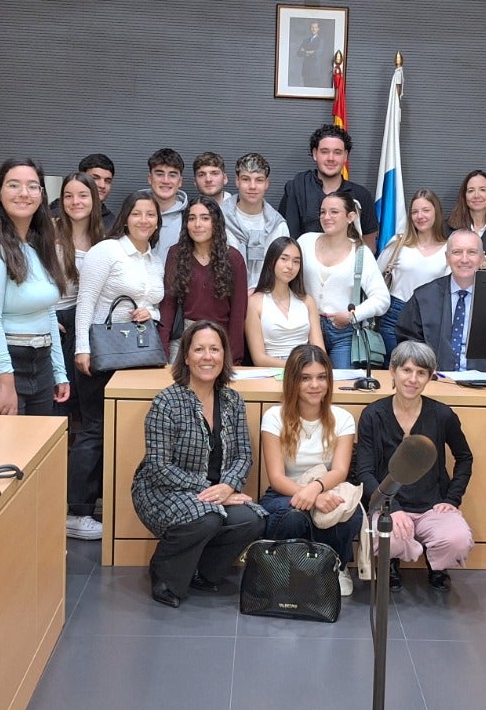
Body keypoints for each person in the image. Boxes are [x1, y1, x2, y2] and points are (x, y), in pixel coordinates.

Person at [131, 321, 265, 608]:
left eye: (214, 349)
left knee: (253, 521)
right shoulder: (167, 401)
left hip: (216, 494)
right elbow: (158, 467)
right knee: (208, 517)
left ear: (224, 355)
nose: (208, 357)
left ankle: (203, 573)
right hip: (161, 491)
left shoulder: (232, 400)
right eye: (199, 349)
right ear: (187, 357)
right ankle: (165, 574)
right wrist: (213, 491)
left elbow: (244, 455)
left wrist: (228, 486)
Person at [68, 189, 165, 540]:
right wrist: (81, 349)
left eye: (151, 215)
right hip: (102, 353)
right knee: (94, 430)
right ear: (125, 216)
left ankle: (112, 503)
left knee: (126, 430)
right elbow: (86, 302)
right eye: (137, 213)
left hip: (139, 357)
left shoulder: (154, 258)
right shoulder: (106, 251)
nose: (144, 220)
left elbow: (154, 304)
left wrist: (148, 311)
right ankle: (77, 510)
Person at [353, 340, 475, 591]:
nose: (413, 379)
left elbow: (465, 458)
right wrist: (391, 508)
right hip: (389, 506)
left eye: (421, 373)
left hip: (432, 505)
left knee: (458, 539)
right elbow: (364, 471)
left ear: (430, 377)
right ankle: (393, 560)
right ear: (392, 371)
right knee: (384, 537)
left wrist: (452, 500)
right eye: (406, 370)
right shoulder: (373, 415)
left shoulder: (442, 415)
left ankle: (437, 564)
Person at [0, 159, 71, 418]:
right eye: (14, 185)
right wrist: (5, 383)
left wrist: (58, 370)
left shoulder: (37, 246)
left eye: (33, 186)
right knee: (2, 454)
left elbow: (47, 312)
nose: (24, 193)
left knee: (37, 452)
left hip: (38, 363)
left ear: (41, 195)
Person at [259, 344, 364, 594]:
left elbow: (339, 470)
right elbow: (276, 477)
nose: (314, 385)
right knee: (294, 515)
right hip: (285, 493)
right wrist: (311, 497)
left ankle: (335, 566)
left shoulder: (343, 418)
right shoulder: (274, 417)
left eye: (321, 377)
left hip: (327, 487)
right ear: (292, 381)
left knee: (348, 511)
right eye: (305, 378)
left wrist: (317, 491)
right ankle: (285, 569)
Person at [394, 230, 486, 375]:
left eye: (472, 252)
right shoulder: (424, 297)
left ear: (482, 258)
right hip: (436, 382)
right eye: (457, 252)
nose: (464, 259)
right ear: (447, 258)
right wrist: (420, 364)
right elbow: (407, 340)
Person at [298, 190, 389, 369]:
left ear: (350, 216)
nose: (326, 217)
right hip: (306, 327)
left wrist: (352, 316)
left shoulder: (361, 253)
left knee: (342, 385)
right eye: (323, 212)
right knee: (307, 380)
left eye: (334, 212)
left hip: (343, 333)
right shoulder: (305, 242)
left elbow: (382, 299)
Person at [52, 173, 108, 453]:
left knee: (87, 409)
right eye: (69, 196)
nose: (76, 202)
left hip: (86, 323)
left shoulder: (104, 238)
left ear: (94, 199)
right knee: (57, 404)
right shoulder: (48, 233)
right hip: (55, 322)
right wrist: (47, 317)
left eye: (83, 195)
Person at [158, 196, 247, 357]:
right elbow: (168, 305)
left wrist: (234, 357)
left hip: (220, 337)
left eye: (205, 218)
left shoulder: (234, 258)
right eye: (192, 218)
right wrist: (162, 348)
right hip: (184, 337)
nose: (197, 224)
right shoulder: (176, 254)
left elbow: (238, 312)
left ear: (216, 223)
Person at [375, 188, 449, 359]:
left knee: (425, 371)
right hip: (395, 314)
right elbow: (376, 278)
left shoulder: (449, 248)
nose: (420, 216)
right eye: (415, 212)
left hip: (431, 317)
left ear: (436, 212)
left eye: (426, 210)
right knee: (395, 370)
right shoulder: (398, 243)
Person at [277, 125, 378, 238]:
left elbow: (369, 240)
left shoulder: (361, 195)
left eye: (337, 152)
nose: (331, 158)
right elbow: (283, 237)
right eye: (324, 152)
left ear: (346, 156)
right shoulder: (296, 188)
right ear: (315, 154)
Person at [245, 237, 326, 367]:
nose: (290, 266)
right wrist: (296, 366)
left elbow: (319, 351)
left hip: (305, 369)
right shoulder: (254, 302)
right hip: (272, 370)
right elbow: (259, 358)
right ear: (272, 261)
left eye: (296, 261)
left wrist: (306, 368)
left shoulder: (307, 301)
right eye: (284, 259)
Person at [223, 152, 289, 289]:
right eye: (246, 179)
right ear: (237, 181)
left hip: (265, 299)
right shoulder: (219, 219)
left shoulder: (278, 226)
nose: (252, 186)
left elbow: (283, 271)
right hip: (225, 299)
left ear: (266, 183)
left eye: (259, 180)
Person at [50, 153, 116, 231]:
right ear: (81, 177)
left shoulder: (112, 223)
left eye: (107, 181)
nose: (102, 185)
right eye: (95, 178)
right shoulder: (53, 217)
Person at [146, 147, 188, 260]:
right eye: (159, 174)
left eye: (172, 175)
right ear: (150, 178)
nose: (166, 180)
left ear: (180, 182)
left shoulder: (190, 218)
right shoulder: (132, 214)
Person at [296, 19, 331, 87]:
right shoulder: (306, 40)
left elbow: (317, 54)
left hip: (315, 71)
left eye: (315, 27)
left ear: (318, 29)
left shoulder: (321, 40)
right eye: (312, 27)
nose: (313, 29)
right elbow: (299, 53)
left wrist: (305, 51)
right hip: (305, 70)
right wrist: (309, 52)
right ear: (310, 28)